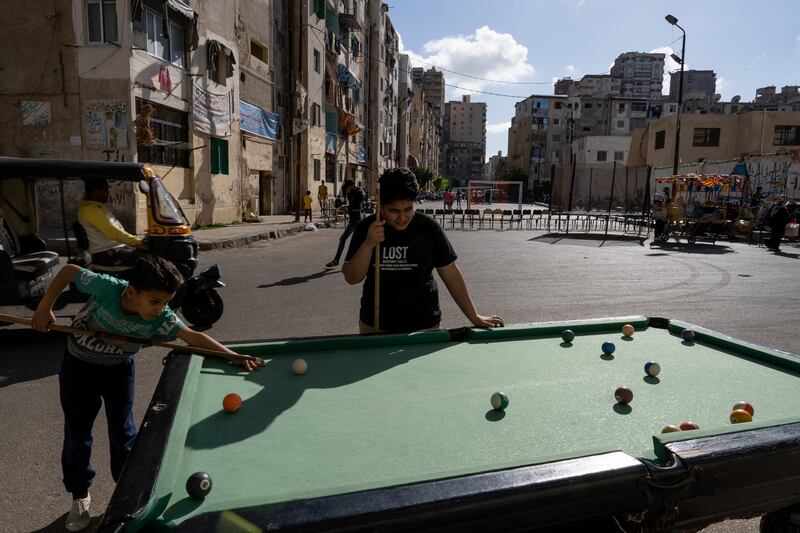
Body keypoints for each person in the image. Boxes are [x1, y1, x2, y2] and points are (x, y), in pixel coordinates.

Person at [30, 257, 263, 532]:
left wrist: (234, 357)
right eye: (154, 301)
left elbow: (191, 337)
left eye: (166, 302)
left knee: (123, 434)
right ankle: (80, 495)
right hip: (77, 366)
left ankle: (128, 496)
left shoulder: (161, 317)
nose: (161, 309)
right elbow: (68, 271)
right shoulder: (108, 288)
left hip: (117, 372)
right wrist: (44, 308)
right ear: (132, 291)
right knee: (77, 434)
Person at [342, 168, 504, 334]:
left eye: (408, 209)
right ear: (380, 205)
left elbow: (450, 274)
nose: (402, 217)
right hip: (376, 326)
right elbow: (352, 277)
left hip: (426, 326)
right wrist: (369, 244)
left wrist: (474, 316)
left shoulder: (428, 227)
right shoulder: (366, 227)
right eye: (394, 211)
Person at [78, 178, 144, 268]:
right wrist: (138, 241)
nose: (108, 193)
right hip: (107, 254)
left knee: (146, 251)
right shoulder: (90, 210)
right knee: (148, 260)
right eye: (105, 190)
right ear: (96, 192)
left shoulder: (96, 205)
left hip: (116, 249)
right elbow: (113, 232)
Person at [325, 179, 364, 268]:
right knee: (358, 241)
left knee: (344, 239)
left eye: (347, 188)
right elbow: (353, 205)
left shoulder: (357, 192)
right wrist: (346, 207)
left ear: (351, 186)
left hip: (356, 220)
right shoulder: (351, 194)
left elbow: (357, 205)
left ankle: (337, 260)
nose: (346, 190)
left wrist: (346, 208)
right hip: (354, 219)